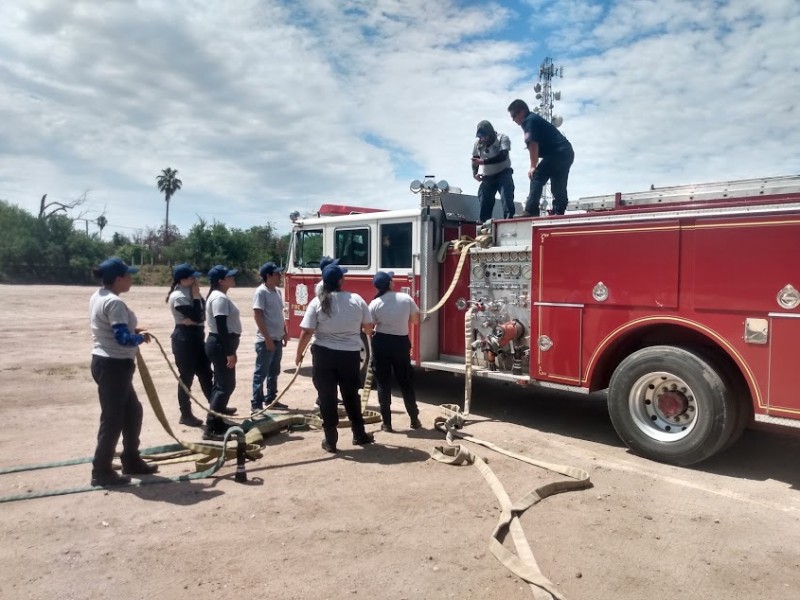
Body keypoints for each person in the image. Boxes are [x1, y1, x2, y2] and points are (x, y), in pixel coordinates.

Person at [88, 257, 159, 487]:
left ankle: (130, 459)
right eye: (128, 275)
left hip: (107, 363)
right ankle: (101, 471)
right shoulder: (115, 303)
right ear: (118, 278)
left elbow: (110, 328)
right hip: (113, 365)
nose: (131, 279)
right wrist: (139, 337)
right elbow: (122, 338)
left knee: (132, 412)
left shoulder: (99, 296)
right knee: (113, 419)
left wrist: (132, 329)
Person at [295, 264, 375, 453]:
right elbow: (368, 327)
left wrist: (298, 354)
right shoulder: (356, 299)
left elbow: (306, 331)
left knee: (327, 396)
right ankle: (359, 434)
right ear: (341, 281)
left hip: (324, 355)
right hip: (349, 356)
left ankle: (331, 440)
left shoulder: (317, 302)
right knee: (351, 396)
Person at [368, 271, 422, 432]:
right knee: (405, 381)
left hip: (381, 342)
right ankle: (414, 419)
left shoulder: (375, 303)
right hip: (400, 342)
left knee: (383, 383)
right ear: (390, 283)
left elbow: (369, 327)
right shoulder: (406, 299)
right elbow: (415, 320)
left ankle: (387, 423)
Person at [507, 98, 574, 216]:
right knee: (558, 183)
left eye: (514, 115)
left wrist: (533, 166)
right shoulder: (532, 120)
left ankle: (531, 210)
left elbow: (533, 144)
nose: (513, 119)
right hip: (566, 152)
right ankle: (559, 211)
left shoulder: (528, 121)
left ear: (521, 112)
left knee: (537, 175)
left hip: (557, 153)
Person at [166, 263, 212, 427]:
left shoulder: (193, 292)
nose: (195, 279)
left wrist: (197, 298)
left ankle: (215, 407)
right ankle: (185, 414)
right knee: (186, 377)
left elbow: (204, 313)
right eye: (192, 277)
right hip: (184, 338)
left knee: (206, 373)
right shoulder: (178, 295)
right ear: (183, 279)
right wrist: (196, 299)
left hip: (197, 335)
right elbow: (197, 316)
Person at [203, 265, 242, 441]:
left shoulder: (219, 296)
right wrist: (229, 352)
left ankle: (217, 421)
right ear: (221, 281)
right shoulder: (219, 298)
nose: (233, 278)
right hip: (220, 344)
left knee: (223, 384)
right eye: (229, 276)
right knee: (224, 386)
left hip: (221, 344)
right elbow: (221, 326)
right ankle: (211, 427)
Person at [252, 262, 290, 413]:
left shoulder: (277, 292)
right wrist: (267, 338)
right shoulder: (261, 292)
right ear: (268, 276)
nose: (279, 276)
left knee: (274, 371)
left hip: (277, 338)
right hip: (265, 340)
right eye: (277, 274)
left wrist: (285, 332)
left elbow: (279, 314)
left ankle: (271, 399)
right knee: (261, 372)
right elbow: (258, 315)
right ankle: (256, 404)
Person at [471, 120, 516, 221]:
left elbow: (503, 156)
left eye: (485, 136)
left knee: (507, 198)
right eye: (481, 137)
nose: (483, 139)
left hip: (503, 174)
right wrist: (475, 173)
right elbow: (475, 159)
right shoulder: (477, 144)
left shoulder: (502, 138)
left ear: (491, 134)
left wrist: (484, 162)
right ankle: (484, 225)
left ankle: (509, 220)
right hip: (488, 176)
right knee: (484, 200)